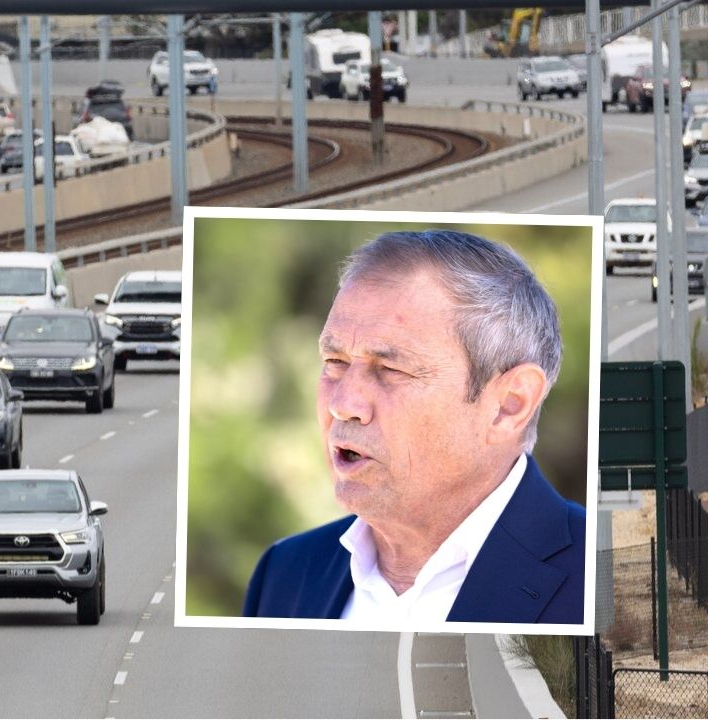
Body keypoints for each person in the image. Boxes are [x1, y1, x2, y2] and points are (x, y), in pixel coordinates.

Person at [242, 230, 586, 627]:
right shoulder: (283, 576)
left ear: (509, 405)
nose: (342, 404)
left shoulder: (596, 580)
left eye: (389, 369)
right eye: (334, 361)